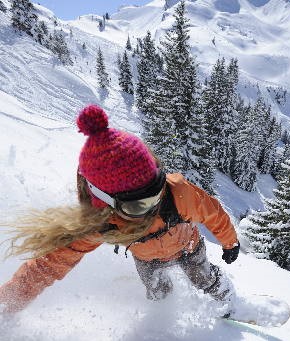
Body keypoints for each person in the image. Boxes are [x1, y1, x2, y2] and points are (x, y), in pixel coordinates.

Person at [0, 105, 240, 314]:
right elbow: (44, 268)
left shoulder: (176, 192)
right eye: (139, 204)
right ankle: (165, 314)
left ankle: (230, 303)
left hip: (187, 246)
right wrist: (5, 304)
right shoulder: (101, 225)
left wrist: (230, 242)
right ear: (107, 205)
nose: (155, 205)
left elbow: (213, 213)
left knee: (204, 278)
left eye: (157, 190)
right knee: (158, 292)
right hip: (148, 260)